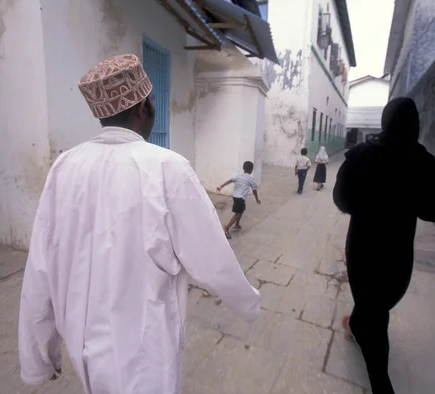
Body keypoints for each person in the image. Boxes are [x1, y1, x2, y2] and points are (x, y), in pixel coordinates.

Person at [18, 54, 261, 394]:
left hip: (82, 345)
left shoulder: (65, 167)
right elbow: (211, 257)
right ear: (143, 108)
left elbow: (40, 268)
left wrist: (39, 357)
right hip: (144, 352)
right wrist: (248, 302)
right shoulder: (167, 167)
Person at [333, 97, 435, 394]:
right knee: (377, 308)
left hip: (363, 249)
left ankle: (380, 382)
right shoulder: (424, 162)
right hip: (399, 255)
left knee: (371, 308)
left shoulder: (361, 156)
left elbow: (342, 200)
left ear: (385, 122)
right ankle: (360, 329)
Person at [217, 161, 261, 240]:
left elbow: (230, 180)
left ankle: (237, 224)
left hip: (235, 196)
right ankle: (225, 229)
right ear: (251, 170)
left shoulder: (239, 176)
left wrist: (221, 186)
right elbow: (254, 190)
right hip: (240, 198)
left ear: (243, 168)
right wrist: (257, 199)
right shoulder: (250, 178)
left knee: (241, 210)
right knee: (238, 213)